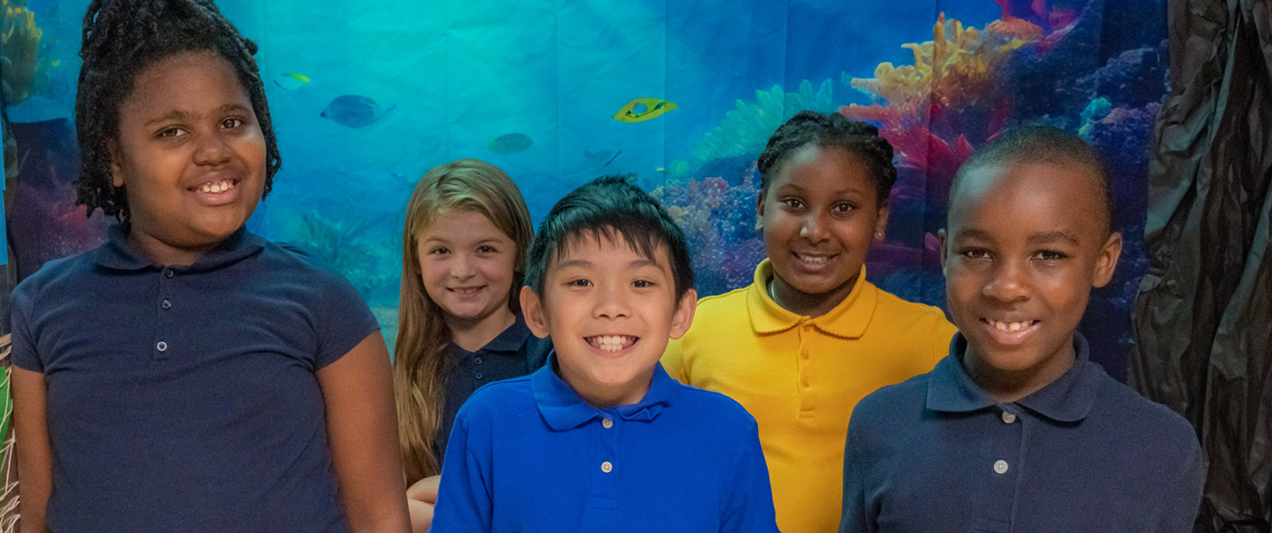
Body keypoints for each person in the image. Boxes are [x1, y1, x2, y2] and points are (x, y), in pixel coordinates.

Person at [9, 1, 410, 531]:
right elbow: (37, 516)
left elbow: (380, 517)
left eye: (232, 121)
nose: (213, 150)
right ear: (115, 159)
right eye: (172, 132)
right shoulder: (42, 306)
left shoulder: (324, 302)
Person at [839, 127, 1204, 532]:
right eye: (977, 253)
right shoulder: (880, 423)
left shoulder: (1163, 446)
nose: (1007, 287)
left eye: (1048, 255)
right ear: (944, 255)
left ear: (1103, 261)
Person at [662, 111, 957, 532]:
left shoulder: (928, 338)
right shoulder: (692, 330)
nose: (815, 230)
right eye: (795, 203)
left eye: (844, 208)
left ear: (879, 220)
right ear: (762, 207)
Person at [431, 175, 779, 532]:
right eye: (581, 282)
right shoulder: (486, 421)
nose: (611, 307)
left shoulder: (727, 431)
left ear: (681, 312)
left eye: (641, 283)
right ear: (536, 312)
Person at [393, 159, 550, 533]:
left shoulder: (554, 361)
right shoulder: (403, 377)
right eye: (441, 251)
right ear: (415, 260)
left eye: (485, 249)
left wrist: (442, 499)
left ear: (520, 254)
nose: (462, 270)